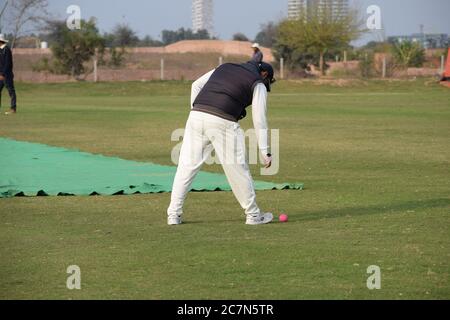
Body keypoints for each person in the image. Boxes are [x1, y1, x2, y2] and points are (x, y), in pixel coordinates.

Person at [167, 60, 276, 226]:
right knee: (238, 170)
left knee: (186, 167)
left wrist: (197, 111)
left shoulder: (225, 66)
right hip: (224, 121)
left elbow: (196, 85)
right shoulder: (258, 82)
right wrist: (265, 150)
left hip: (196, 116)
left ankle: (173, 215)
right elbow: (259, 118)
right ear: (265, 74)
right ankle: (253, 215)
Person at [0, 34, 16, 115]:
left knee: (11, 92)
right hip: (0, 75)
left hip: (7, 75)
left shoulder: (7, 50)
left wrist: (2, 74)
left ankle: (13, 109)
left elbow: (8, 64)